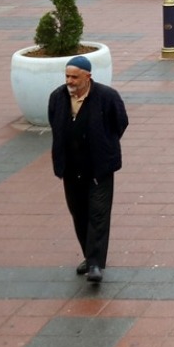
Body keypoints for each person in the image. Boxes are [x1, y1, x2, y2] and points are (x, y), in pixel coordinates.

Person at [47, 54, 129, 285]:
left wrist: (105, 144)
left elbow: (120, 122)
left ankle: (95, 263)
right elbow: (55, 123)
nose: (70, 81)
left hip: (99, 169)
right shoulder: (58, 97)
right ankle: (88, 254)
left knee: (98, 214)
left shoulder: (107, 97)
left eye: (75, 77)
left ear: (88, 77)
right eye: (67, 76)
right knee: (79, 213)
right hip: (71, 169)